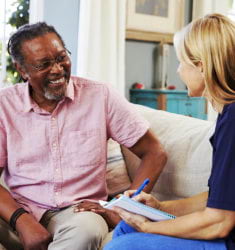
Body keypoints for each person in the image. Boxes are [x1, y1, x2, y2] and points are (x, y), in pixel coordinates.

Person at [0, 22, 167, 250]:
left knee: (87, 231)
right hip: (20, 210)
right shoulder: (4, 105)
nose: (58, 69)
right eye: (44, 64)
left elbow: (154, 152)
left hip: (78, 212)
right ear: (22, 70)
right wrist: (22, 220)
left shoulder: (100, 96)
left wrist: (124, 205)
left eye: (61, 58)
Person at [104, 13, 235, 250]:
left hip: (228, 240)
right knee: (126, 228)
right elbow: (219, 199)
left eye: (182, 62)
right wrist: (160, 208)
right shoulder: (228, 114)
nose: (178, 71)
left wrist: (149, 226)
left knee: (121, 246)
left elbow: (220, 222)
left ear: (202, 67)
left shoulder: (233, 120)